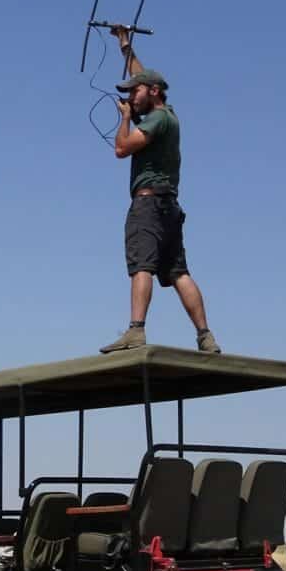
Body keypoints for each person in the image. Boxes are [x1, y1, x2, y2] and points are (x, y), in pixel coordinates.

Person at [99, 27, 220, 354]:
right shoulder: (168, 115)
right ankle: (205, 336)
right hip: (169, 208)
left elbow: (121, 149)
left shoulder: (154, 120)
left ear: (153, 92)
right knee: (178, 272)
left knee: (142, 266)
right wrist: (125, 45)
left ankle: (136, 331)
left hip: (148, 206)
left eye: (135, 92)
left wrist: (125, 119)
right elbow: (142, 75)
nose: (130, 97)